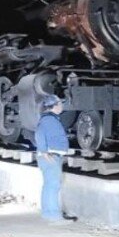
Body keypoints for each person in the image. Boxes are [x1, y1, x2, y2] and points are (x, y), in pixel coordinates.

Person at [34, 95, 74, 223]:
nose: (62, 106)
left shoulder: (50, 119)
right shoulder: (49, 120)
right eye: (60, 104)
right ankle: (54, 216)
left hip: (51, 156)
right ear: (55, 105)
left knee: (49, 185)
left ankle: (48, 213)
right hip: (51, 156)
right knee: (53, 185)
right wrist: (44, 151)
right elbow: (39, 134)